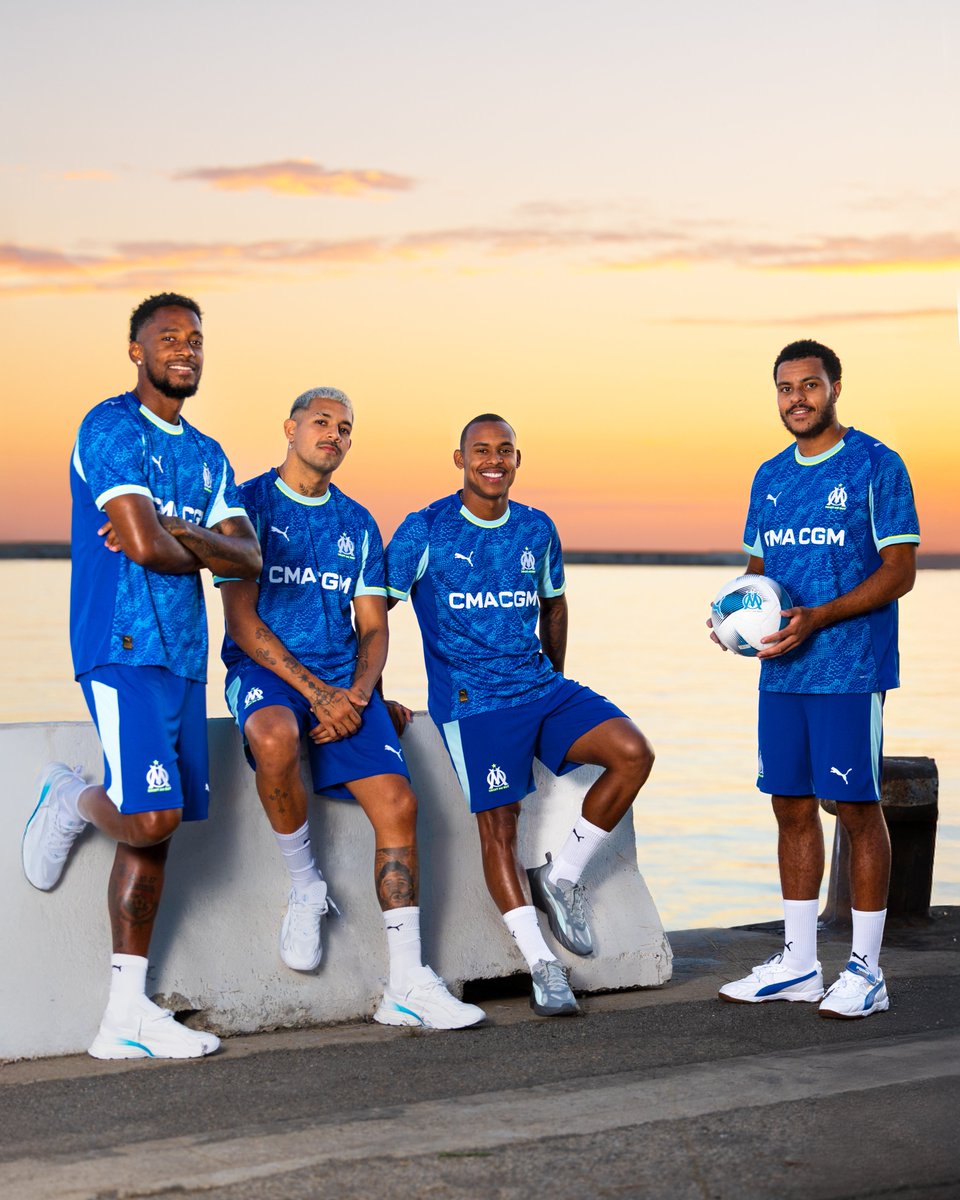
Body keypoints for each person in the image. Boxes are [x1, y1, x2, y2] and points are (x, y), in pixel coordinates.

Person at [22, 293, 262, 1059]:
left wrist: (177, 528)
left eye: (196, 338)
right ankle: (69, 797)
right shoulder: (110, 428)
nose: (185, 348)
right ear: (136, 350)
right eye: (169, 337)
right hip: (121, 644)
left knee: (158, 837)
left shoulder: (210, 454)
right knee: (149, 817)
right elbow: (142, 546)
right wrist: (187, 539)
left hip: (186, 656)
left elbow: (251, 559)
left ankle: (124, 1015)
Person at [216, 387, 485, 1030]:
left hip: (347, 688)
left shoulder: (358, 523)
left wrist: (359, 696)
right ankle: (306, 887)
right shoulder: (247, 504)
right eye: (321, 422)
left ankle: (406, 983)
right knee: (276, 737)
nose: (334, 435)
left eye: (345, 428)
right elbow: (242, 620)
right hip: (268, 674)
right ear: (290, 427)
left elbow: (373, 629)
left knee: (400, 803)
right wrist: (318, 696)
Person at [383, 414, 654, 1017]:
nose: (493, 460)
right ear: (459, 459)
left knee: (633, 753)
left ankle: (564, 878)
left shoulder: (536, 527)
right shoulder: (423, 530)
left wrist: (554, 680)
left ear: (517, 459)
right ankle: (542, 963)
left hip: (541, 687)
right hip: (472, 705)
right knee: (499, 831)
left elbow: (554, 605)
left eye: (504, 450)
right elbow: (375, 612)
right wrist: (368, 692)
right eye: (481, 450)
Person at [713, 339, 919, 1019]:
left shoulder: (875, 465)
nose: (796, 398)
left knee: (856, 810)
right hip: (781, 672)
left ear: (834, 386)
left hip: (850, 669)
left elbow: (899, 572)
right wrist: (729, 618)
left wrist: (820, 617)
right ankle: (799, 964)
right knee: (789, 806)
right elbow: (757, 573)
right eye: (784, 387)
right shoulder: (768, 475)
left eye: (809, 385)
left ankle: (866, 971)